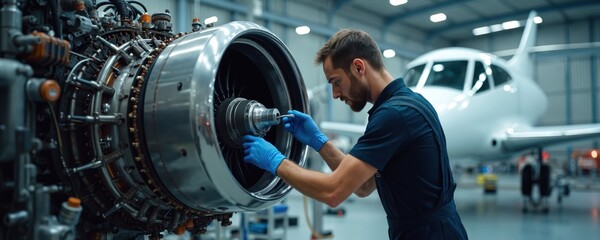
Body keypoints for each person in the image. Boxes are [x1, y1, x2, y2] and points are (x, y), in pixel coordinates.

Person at [242, 29, 468, 240]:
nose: (335, 94)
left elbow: (333, 191)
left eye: (336, 82)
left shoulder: (394, 115)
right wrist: (320, 142)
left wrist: (276, 161)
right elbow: (363, 185)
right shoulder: (407, 103)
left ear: (359, 68)